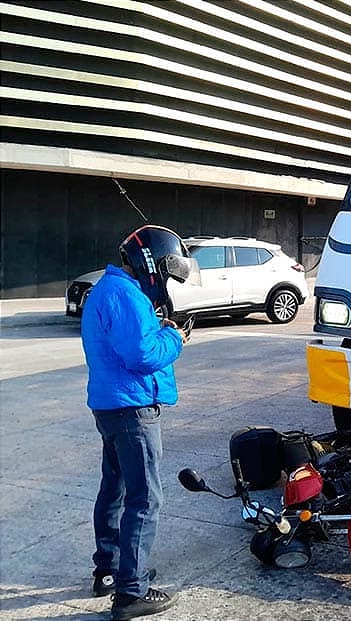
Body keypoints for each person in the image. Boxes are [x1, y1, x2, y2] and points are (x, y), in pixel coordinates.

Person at [81, 224, 199, 620]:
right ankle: (131, 592)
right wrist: (176, 339)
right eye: (166, 271)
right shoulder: (127, 294)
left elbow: (129, 345)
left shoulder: (107, 289)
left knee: (114, 487)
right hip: (133, 410)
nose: (166, 280)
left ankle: (111, 570)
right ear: (150, 262)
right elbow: (143, 355)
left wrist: (159, 331)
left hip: (110, 405)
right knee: (145, 498)